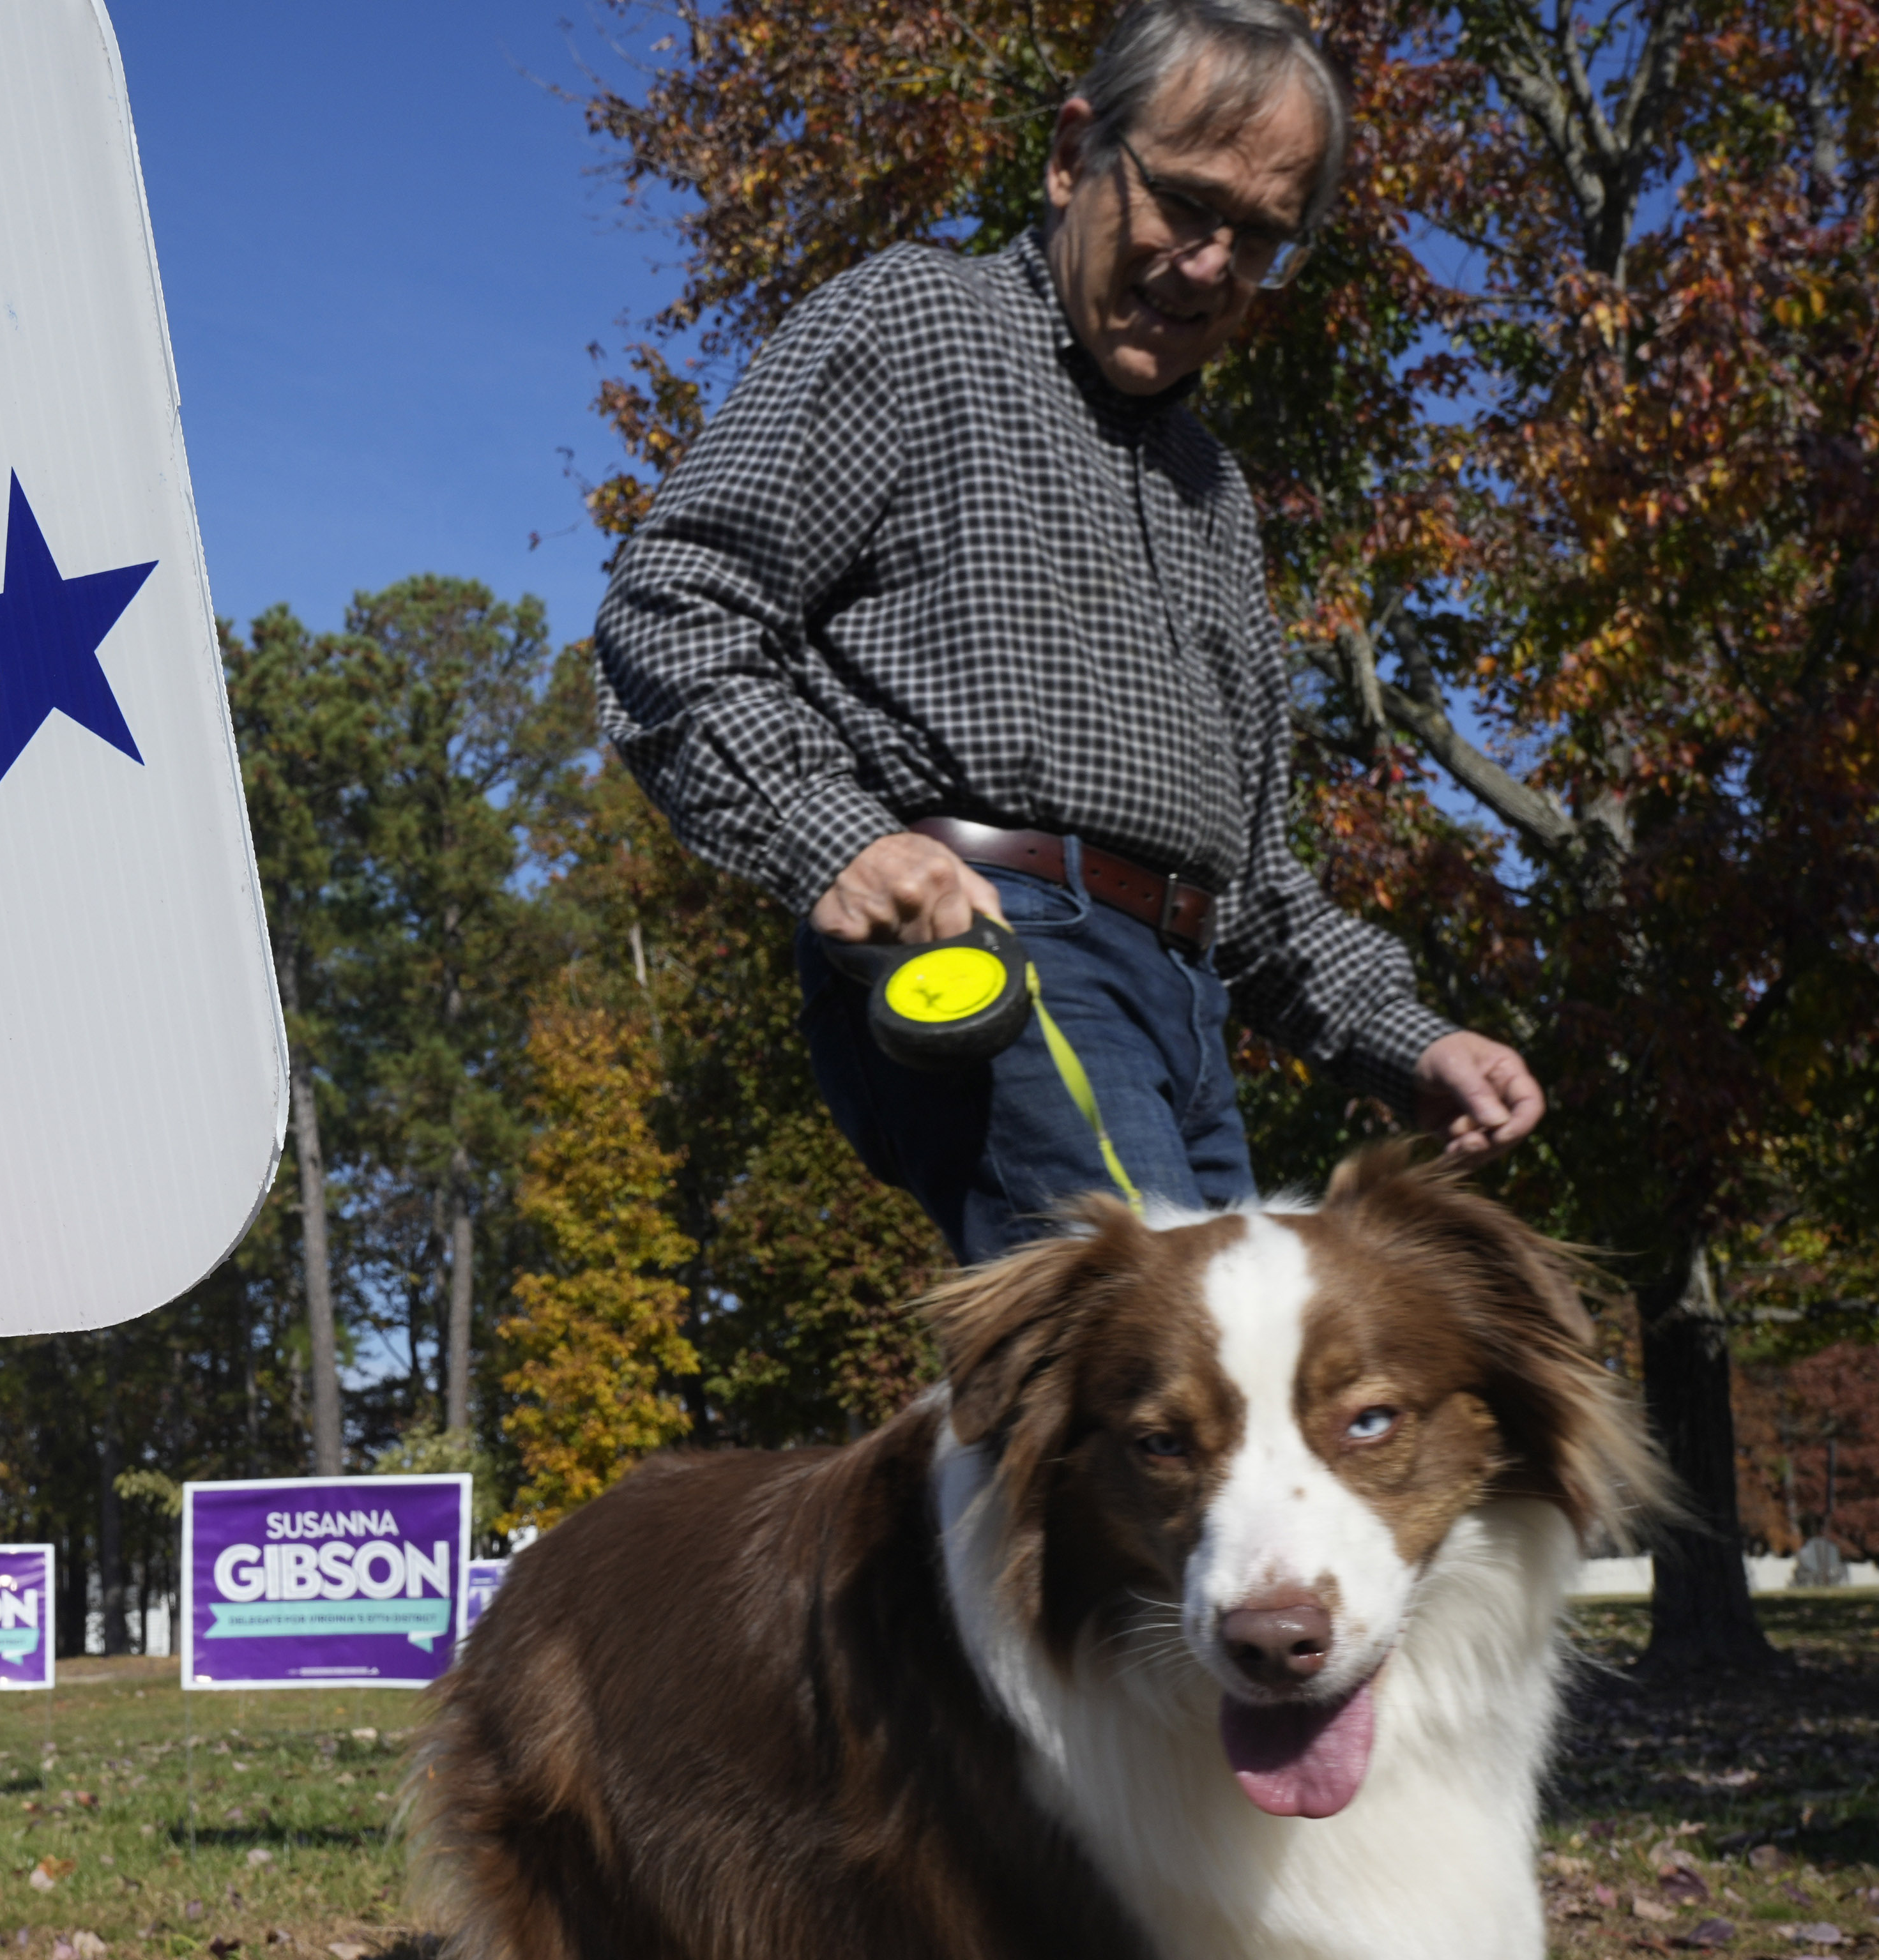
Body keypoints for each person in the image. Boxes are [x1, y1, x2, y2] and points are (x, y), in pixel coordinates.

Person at [595, 0, 1544, 1263]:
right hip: (995, 946)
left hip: (1187, 1012)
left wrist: (1410, 1038)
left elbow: (1254, 893)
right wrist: (841, 844)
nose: (1211, 265)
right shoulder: (921, 328)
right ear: (1072, 156)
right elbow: (674, 605)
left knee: (1225, 1388)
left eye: (1260, 237)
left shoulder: (1220, 495)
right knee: (1170, 1358)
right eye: (1189, 203)